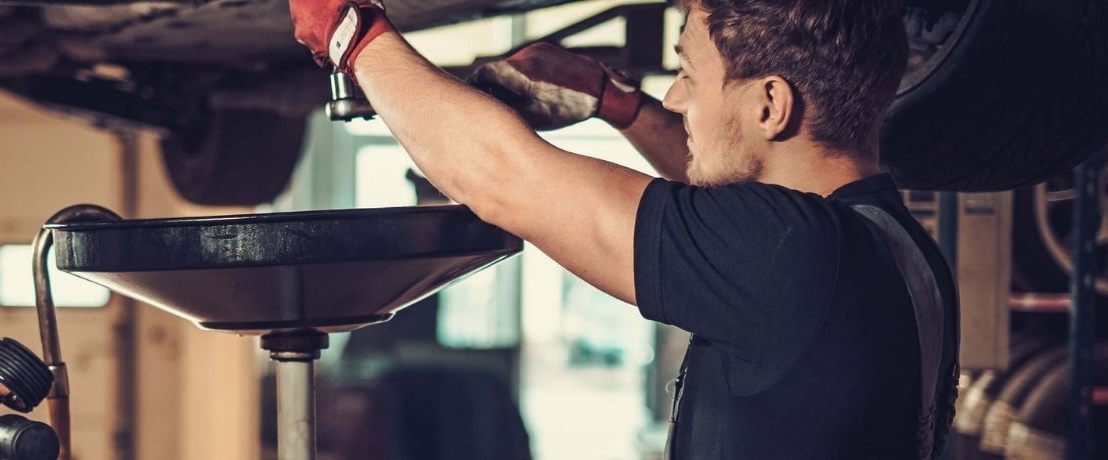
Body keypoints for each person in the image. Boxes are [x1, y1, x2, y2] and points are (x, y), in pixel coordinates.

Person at [285, 0, 960, 458]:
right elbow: (725, 190)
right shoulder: (896, 247)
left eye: (689, 76)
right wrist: (617, 104)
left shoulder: (793, 258)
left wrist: (354, 35)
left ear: (770, 106)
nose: (676, 96)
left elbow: (499, 177)